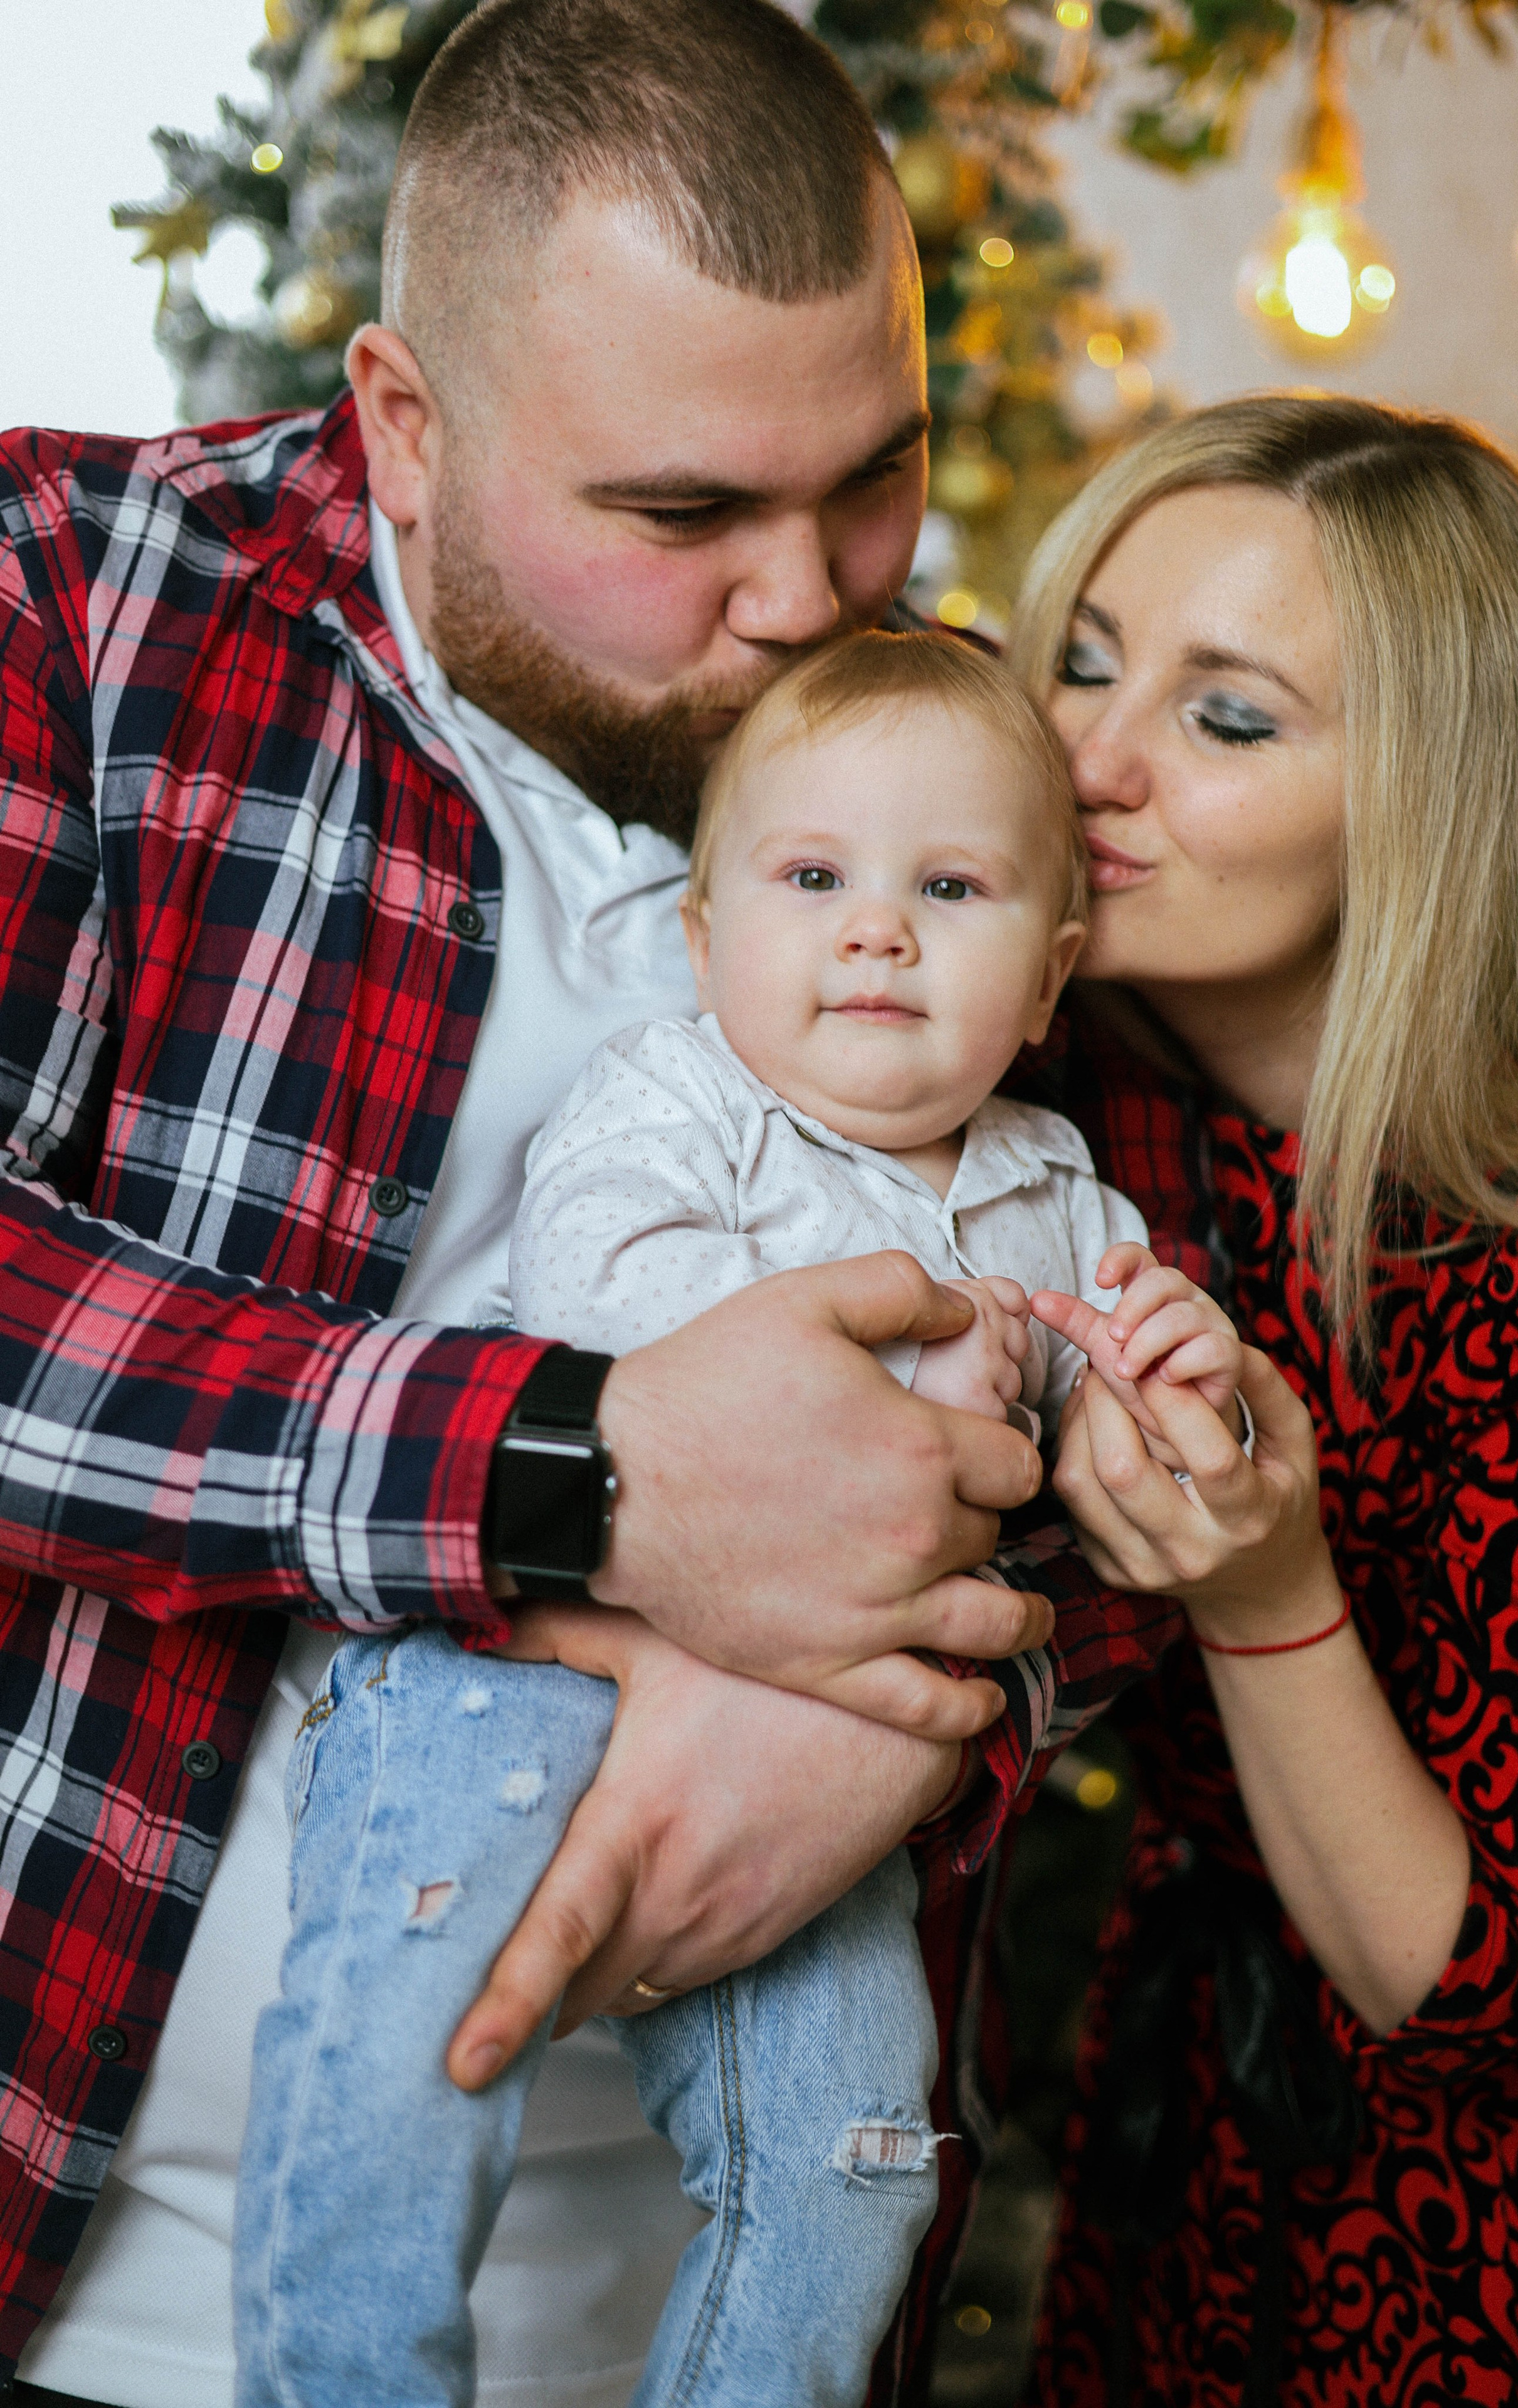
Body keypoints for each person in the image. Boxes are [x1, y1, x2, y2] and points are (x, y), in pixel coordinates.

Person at [0, 4, 1182, 2402]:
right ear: (406, 425)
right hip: (87, 2274)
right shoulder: (76, 604)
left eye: (878, 477)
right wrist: (587, 1471)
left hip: (705, 2303)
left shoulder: (942, 769)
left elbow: (1167, 1322)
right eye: (682, 515)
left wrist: (922, 1691)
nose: (808, 598)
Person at [232, 631, 1247, 2408]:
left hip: (820, 1762)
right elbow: (610, 1297)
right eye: (812, 879)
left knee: (859, 2151)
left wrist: (1176, 1386)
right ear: (707, 946)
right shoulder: (677, 1095)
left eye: (949, 886)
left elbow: (1111, 1477)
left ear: (1047, 979)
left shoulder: (1054, 1192)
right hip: (515, 1673)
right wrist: (929, 1382)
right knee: (401, 2060)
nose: (877, 930)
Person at [999, 394, 1518, 2406]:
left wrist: (1267, 1596)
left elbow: (1475, 2008)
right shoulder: (1085, 1128)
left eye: (1228, 719)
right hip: (1176, 2163)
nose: (1088, 760)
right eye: (1083, 662)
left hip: (1487, 2254)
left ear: (1432, 801)